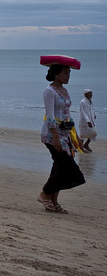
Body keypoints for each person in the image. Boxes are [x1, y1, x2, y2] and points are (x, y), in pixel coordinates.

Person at [37, 61, 85, 213]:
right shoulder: (49, 91)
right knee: (66, 167)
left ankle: (53, 201)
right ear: (56, 74)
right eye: (65, 73)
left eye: (69, 73)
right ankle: (44, 194)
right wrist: (56, 138)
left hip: (65, 134)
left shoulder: (64, 91)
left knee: (59, 167)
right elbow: (50, 116)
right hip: (51, 135)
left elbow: (67, 115)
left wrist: (75, 136)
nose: (68, 76)